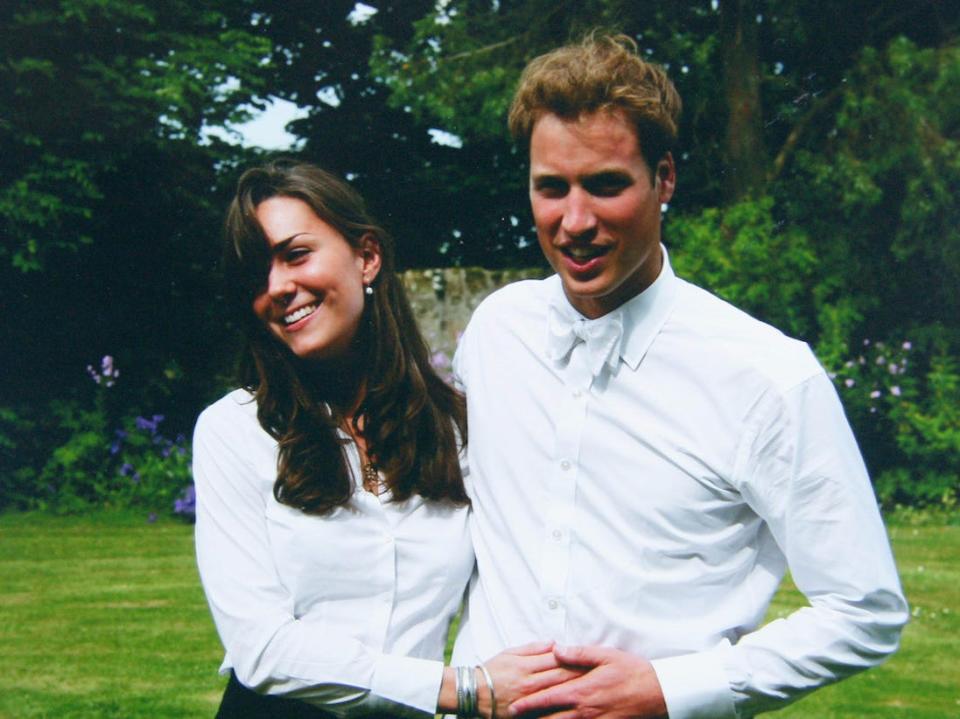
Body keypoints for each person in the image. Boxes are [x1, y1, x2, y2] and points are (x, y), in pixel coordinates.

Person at [451, 34, 908, 719]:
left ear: (664, 178)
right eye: (552, 188)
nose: (574, 221)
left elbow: (865, 609)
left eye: (606, 184)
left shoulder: (767, 376)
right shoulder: (495, 332)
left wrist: (670, 689)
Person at [193, 160, 577, 718]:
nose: (277, 287)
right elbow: (262, 649)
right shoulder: (235, 431)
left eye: (295, 255)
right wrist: (461, 690)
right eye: (256, 274)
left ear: (367, 257)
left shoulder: (456, 431)